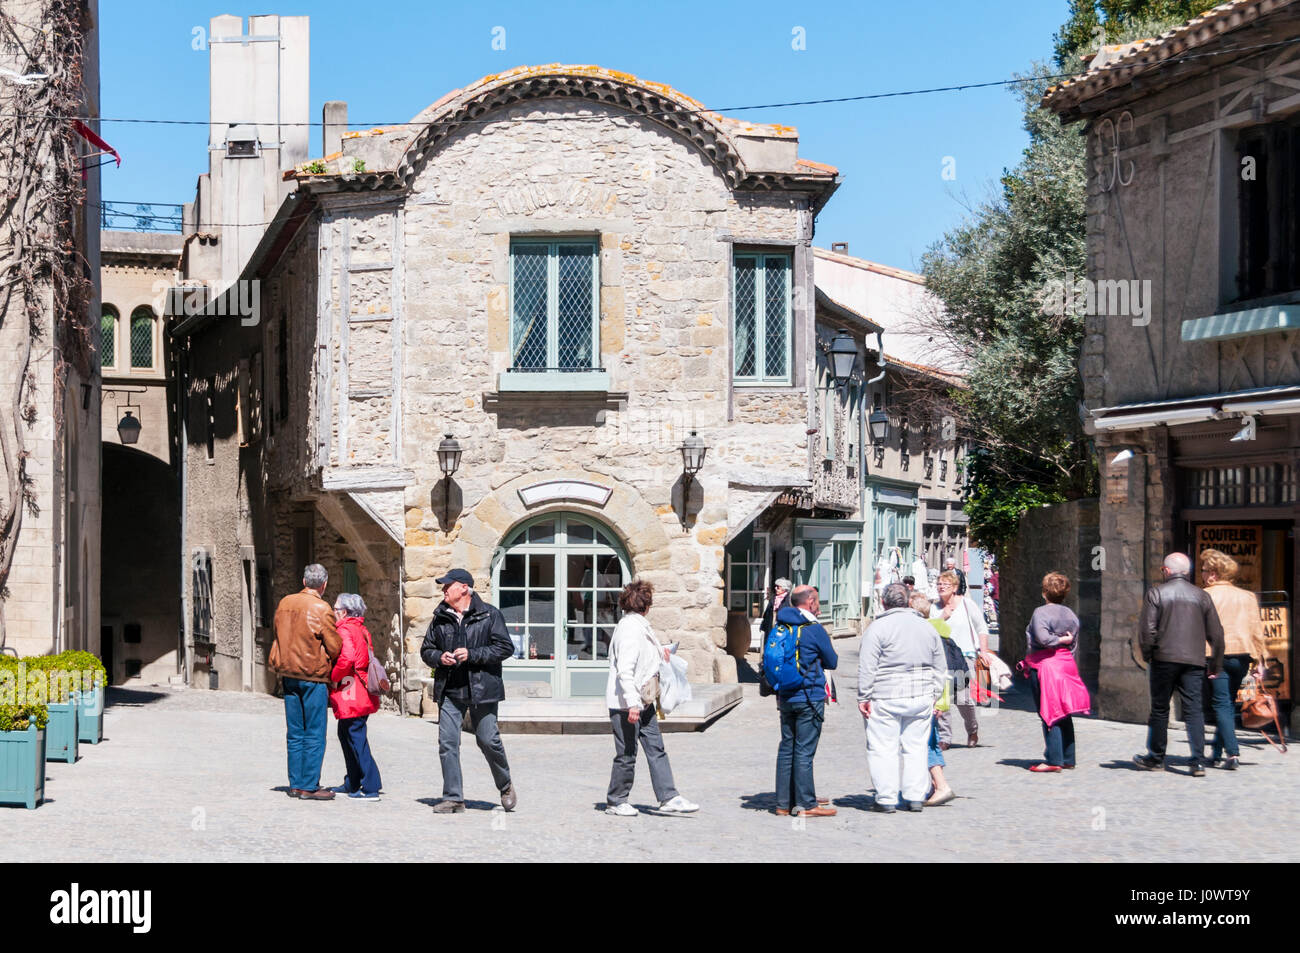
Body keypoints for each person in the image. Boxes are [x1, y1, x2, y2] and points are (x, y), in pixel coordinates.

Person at [420, 569, 518, 813]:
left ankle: (505, 784)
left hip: (483, 689)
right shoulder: (440, 616)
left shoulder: (489, 614)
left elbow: (505, 647)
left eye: (447, 586)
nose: (443, 590)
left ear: (464, 588)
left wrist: (472, 654)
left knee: (488, 740)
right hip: (451, 690)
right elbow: (426, 649)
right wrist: (439, 657)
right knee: (447, 743)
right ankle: (453, 798)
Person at [604, 580, 699, 816]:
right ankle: (616, 801)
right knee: (626, 754)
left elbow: (641, 659)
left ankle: (669, 796)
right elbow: (625, 669)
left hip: (642, 701)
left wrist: (662, 651)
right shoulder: (629, 630)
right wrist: (632, 703)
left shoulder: (639, 626)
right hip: (628, 703)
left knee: (656, 748)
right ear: (646, 605)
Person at [1134, 553, 1225, 776]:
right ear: (1187, 572)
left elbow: (1147, 631)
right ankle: (1197, 761)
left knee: (1160, 708)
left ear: (1166, 570)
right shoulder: (1201, 596)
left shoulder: (1156, 593)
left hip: (1163, 658)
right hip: (1193, 659)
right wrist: (1216, 663)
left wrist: (1148, 655)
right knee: (1194, 709)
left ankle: (1156, 757)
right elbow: (1217, 634)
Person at [859, 584, 946, 812]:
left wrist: (864, 696)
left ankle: (886, 798)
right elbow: (940, 666)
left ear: (884, 603)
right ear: (908, 601)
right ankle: (915, 796)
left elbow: (868, 667)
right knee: (916, 747)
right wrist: (935, 694)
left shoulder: (877, 628)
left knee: (882, 747)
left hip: (886, 694)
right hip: (921, 694)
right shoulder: (927, 628)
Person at [270, 564, 342, 800]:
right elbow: (334, 646)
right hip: (312, 675)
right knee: (314, 732)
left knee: (295, 732)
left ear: (303, 581)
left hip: (288, 673)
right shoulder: (322, 608)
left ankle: (295, 783)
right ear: (324, 584)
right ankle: (309, 785)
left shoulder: (285, 603)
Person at [771, 585, 838, 817]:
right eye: (817, 599)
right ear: (810, 601)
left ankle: (783, 803)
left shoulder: (781, 625)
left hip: (785, 695)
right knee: (804, 750)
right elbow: (832, 660)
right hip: (809, 695)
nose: (819, 604)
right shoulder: (813, 628)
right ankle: (806, 804)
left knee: (787, 747)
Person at [1200, 549, 1268, 770]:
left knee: (1220, 703)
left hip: (1215, 655)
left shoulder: (1205, 595)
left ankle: (1232, 752)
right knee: (1227, 703)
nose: (1201, 575)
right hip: (1241, 656)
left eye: (1203, 570)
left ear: (1213, 573)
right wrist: (1261, 661)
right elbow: (1257, 631)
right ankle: (1217, 752)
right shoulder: (1247, 596)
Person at [1021, 573, 1090, 772]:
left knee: (1049, 711)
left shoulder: (1040, 613)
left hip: (1046, 665)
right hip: (1065, 664)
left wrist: (1058, 641)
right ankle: (1068, 756)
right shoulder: (1070, 614)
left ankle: (1053, 759)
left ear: (1045, 592)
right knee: (1064, 711)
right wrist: (1065, 646)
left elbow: (1043, 639)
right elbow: (1074, 642)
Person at [328, 592, 383, 799]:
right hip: (362, 690)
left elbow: (347, 658)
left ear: (343, 612)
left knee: (355, 736)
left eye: (335, 609)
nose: (333, 612)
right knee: (347, 734)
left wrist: (333, 676)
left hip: (352, 691)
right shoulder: (361, 628)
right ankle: (352, 781)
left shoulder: (344, 629)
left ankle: (371, 785)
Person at [934, 569, 991, 747]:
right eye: (939, 584)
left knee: (963, 699)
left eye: (945, 584)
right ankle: (944, 738)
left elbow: (982, 627)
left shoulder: (967, 604)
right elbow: (929, 630)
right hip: (941, 658)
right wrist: (942, 617)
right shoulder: (934, 608)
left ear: (955, 587)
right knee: (942, 699)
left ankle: (972, 729)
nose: (941, 587)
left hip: (964, 657)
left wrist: (984, 651)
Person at [909, 590, 955, 806]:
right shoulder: (938, 631)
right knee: (932, 741)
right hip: (937, 696)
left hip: (928, 696)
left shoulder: (924, 633)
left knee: (925, 742)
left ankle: (941, 785)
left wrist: (938, 700)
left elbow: (938, 670)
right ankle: (934, 786)